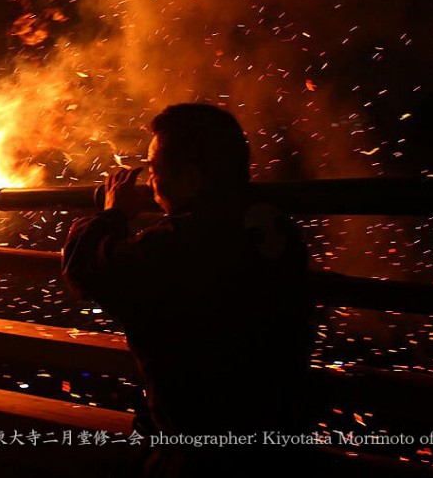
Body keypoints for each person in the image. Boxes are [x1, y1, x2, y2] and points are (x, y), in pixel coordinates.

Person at [62, 103, 312, 477]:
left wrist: (112, 214)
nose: (150, 183)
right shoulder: (274, 224)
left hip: (200, 454)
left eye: (155, 170)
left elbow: (84, 267)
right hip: (281, 446)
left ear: (192, 178)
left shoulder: (178, 245)